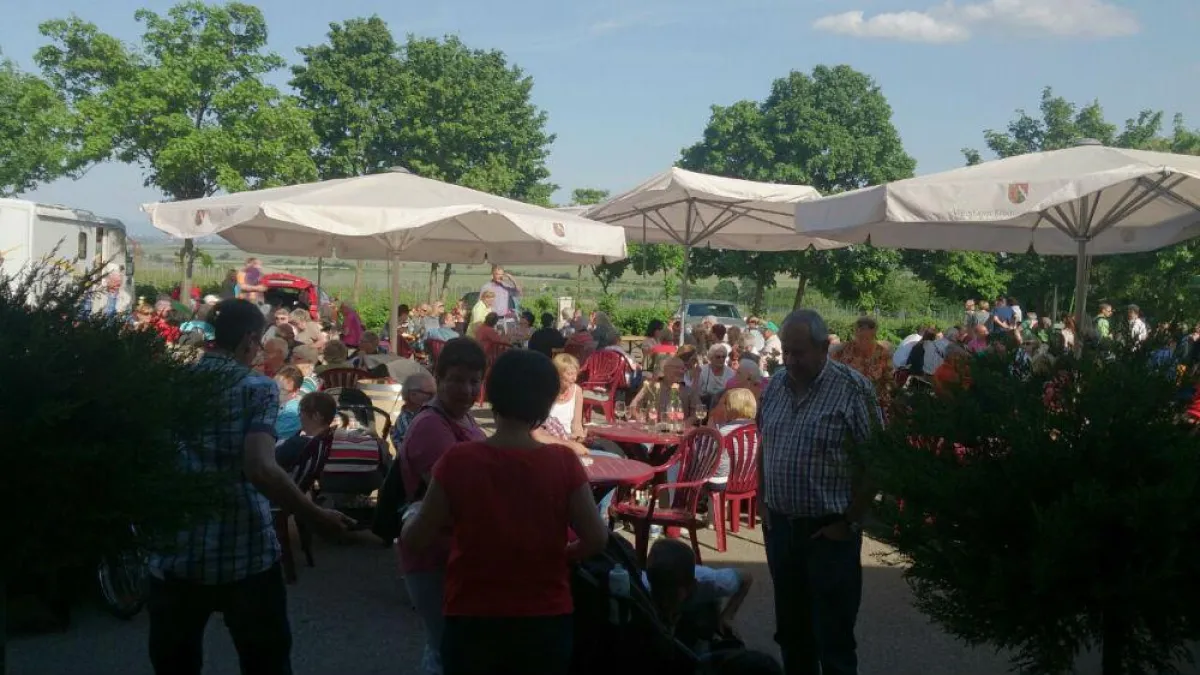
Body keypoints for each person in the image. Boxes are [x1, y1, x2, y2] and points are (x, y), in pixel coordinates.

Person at [146, 299, 350, 675]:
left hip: (179, 545)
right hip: (244, 547)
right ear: (249, 339)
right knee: (265, 660)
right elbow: (260, 467)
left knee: (175, 660)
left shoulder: (172, 381)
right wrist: (315, 515)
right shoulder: (257, 388)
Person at [401, 349, 608, 675]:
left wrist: (410, 516)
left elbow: (417, 539)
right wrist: (564, 555)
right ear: (545, 402)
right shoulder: (563, 462)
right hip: (545, 615)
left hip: (474, 613)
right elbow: (596, 537)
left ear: (492, 393)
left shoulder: (459, 460)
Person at [757, 309, 882, 675]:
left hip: (828, 532)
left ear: (824, 348)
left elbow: (878, 460)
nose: (791, 361)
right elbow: (766, 444)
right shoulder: (777, 384)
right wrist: (764, 504)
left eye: (799, 352)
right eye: (786, 352)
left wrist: (849, 520)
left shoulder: (853, 388)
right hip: (781, 530)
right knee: (792, 636)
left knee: (833, 639)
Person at [397, 338, 489, 675]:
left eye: (474, 381)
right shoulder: (431, 427)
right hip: (431, 556)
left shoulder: (463, 419)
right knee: (448, 651)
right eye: (456, 379)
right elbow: (458, 497)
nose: (466, 389)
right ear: (438, 377)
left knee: (442, 647)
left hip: (453, 552)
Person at [644, 538, 753, 657]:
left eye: (671, 597)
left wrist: (726, 617)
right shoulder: (643, 585)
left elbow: (746, 578)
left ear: (692, 585)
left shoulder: (712, 582)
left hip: (700, 612)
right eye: (660, 595)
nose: (665, 602)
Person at [275, 391, 337, 472]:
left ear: (316, 416)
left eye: (301, 411)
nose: (299, 415)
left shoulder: (296, 444)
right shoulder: (332, 443)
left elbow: (269, 464)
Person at [390, 371, 437, 452]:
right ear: (413, 395)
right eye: (430, 394)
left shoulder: (424, 415)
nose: (434, 398)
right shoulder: (405, 421)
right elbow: (418, 451)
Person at [273, 365, 305, 439]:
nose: (275, 392)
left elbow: (270, 435)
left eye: (282, 390)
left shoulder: (292, 412)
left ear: (295, 392)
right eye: (274, 386)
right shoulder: (277, 403)